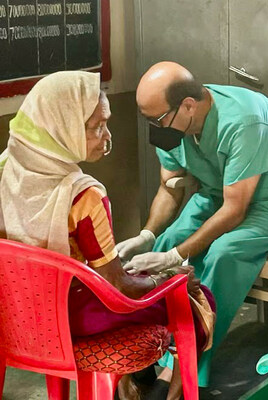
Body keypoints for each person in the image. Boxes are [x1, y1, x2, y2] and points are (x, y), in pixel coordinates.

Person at [0, 71, 215, 400]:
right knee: (193, 295)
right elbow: (118, 288)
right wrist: (168, 280)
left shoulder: (4, 170)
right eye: (96, 127)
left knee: (142, 275)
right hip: (68, 319)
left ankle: (141, 382)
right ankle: (170, 389)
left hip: (13, 315)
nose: (107, 137)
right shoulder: (82, 195)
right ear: (61, 126)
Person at [116, 61, 268, 387]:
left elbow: (235, 210)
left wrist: (174, 258)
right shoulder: (173, 124)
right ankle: (149, 350)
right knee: (167, 241)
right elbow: (169, 189)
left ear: (188, 106)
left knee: (224, 252)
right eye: (148, 120)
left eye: (157, 119)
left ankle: (186, 366)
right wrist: (147, 234)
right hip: (217, 193)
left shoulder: (244, 120)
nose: (154, 127)